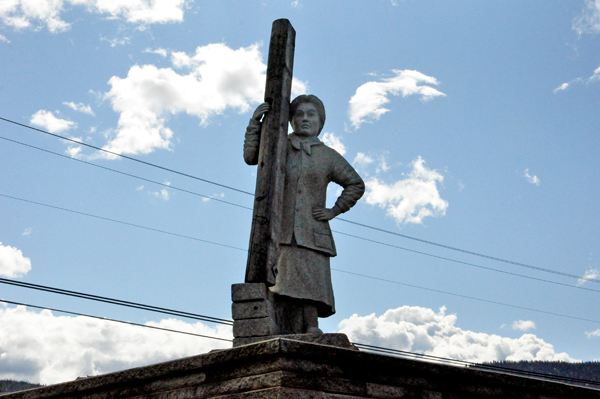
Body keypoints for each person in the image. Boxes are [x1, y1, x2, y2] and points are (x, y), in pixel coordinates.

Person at [244, 95, 364, 334]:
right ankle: (275, 325)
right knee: (279, 278)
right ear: (291, 120)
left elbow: (355, 184)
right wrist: (255, 124)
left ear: (321, 121)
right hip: (281, 228)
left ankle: (311, 325)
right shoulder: (278, 145)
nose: (305, 119)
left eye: (311, 114)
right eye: (299, 114)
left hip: (312, 230)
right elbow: (251, 157)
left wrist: (334, 210)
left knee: (311, 280)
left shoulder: (328, 156)